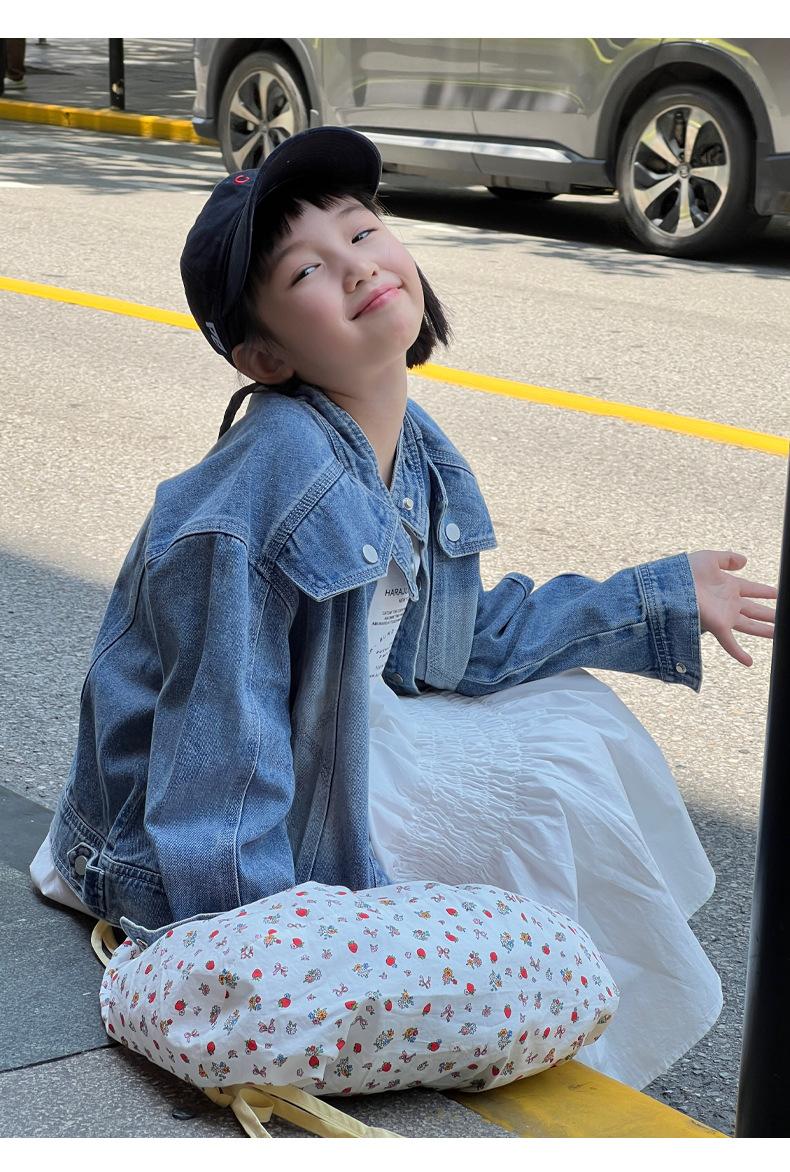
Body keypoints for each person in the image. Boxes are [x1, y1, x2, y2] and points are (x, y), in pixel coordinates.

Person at [30, 127, 776, 1090]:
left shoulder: (413, 448)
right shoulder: (264, 490)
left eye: (361, 231)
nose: (355, 266)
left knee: (568, 732)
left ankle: (547, 1033)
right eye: (306, 269)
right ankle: (505, 1035)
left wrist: (660, 597)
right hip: (202, 826)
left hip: (330, 736)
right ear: (263, 355)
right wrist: (252, 958)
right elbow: (217, 745)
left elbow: (455, 646)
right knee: (521, 812)